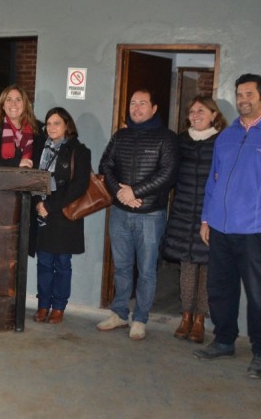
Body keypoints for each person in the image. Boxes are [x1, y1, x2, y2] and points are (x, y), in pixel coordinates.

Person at [193, 74, 261, 380]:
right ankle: (224, 341)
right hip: (221, 230)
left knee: (258, 296)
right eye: (239, 95)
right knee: (220, 291)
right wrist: (206, 218)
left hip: (256, 232)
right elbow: (213, 181)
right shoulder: (226, 136)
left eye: (249, 94)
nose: (243, 100)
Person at [96, 88, 179, 340]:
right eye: (133, 103)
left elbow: (168, 174)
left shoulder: (167, 138)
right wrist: (121, 194)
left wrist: (134, 191)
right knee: (121, 267)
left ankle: (140, 318)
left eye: (143, 103)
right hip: (120, 213)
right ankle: (120, 314)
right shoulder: (120, 135)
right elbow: (105, 166)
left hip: (150, 216)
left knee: (147, 270)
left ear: (154, 108)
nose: (137, 107)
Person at [163, 95, 227, 343]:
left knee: (208, 267)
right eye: (192, 111)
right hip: (182, 211)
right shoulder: (180, 141)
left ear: (213, 114)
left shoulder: (222, 141)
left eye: (202, 110)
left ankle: (200, 319)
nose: (196, 115)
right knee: (187, 266)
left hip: (210, 213)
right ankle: (185, 316)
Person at [32, 108, 91, 325]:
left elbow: (79, 186)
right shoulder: (40, 147)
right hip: (42, 210)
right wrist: (39, 203)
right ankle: (43, 304)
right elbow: (33, 178)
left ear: (67, 126)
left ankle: (58, 307)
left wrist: (51, 205)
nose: (52, 128)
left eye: (57, 123)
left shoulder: (79, 150)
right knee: (44, 262)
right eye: (48, 124)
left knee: (62, 263)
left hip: (64, 213)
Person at [0, 85, 42, 167]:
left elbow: (41, 162)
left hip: (30, 178)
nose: (13, 104)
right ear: (3, 106)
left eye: (18, 100)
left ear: (25, 105)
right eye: (9, 99)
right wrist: (17, 163)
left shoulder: (36, 128)